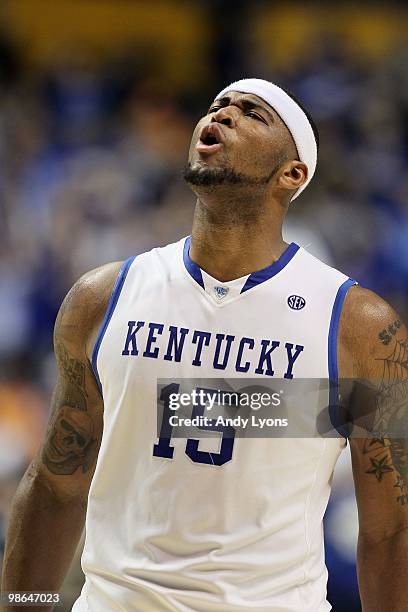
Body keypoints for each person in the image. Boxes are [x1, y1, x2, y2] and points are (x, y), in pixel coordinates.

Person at [1, 78, 407, 611]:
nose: (223, 114)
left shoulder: (355, 325)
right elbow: (57, 486)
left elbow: (389, 531)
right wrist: (23, 606)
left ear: (293, 174)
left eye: (252, 113)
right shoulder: (102, 298)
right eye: (218, 105)